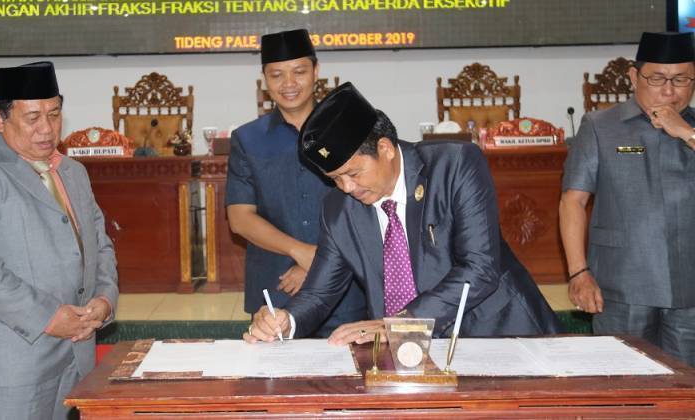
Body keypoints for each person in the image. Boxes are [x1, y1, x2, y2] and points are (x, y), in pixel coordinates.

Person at [245, 82, 561, 344]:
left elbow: (480, 268)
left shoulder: (454, 166)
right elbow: (320, 291)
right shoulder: (338, 209)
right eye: (335, 179)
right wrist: (287, 320)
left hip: (498, 335)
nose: (346, 188)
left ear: (384, 148)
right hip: (409, 354)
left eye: (353, 173)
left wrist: (400, 324)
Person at [0, 62, 119, 419]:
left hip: (76, 353)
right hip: (11, 363)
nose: (47, 129)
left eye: (54, 114)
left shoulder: (73, 171)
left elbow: (100, 245)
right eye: (32, 117)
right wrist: (48, 317)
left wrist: (103, 299)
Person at [560, 31, 695, 366]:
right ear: (634, 76)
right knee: (623, 386)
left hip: (690, 288)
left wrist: (684, 132)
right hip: (621, 287)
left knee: (685, 393)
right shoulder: (599, 126)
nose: (668, 90)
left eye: (681, 79)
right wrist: (579, 273)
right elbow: (572, 202)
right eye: (657, 78)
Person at [226, 29, 367, 337]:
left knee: (349, 379)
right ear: (264, 79)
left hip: (346, 288)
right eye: (276, 75)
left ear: (316, 71)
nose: (288, 84)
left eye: (299, 72)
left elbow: (368, 208)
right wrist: (302, 252)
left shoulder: (350, 128)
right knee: (273, 382)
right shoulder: (247, 139)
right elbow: (239, 218)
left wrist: (319, 264)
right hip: (276, 291)